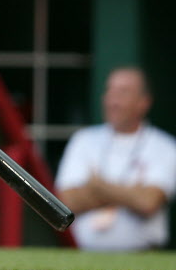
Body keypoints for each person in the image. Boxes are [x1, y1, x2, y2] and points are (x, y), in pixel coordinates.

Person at [56, 68, 176, 251]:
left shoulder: (165, 146)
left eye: (123, 92)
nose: (113, 100)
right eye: (109, 91)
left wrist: (97, 187)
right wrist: (131, 192)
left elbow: (148, 202)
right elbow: (66, 201)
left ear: (144, 102)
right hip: (83, 255)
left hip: (144, 258)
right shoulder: (83, 140)